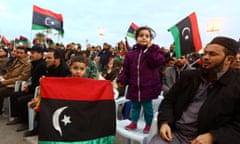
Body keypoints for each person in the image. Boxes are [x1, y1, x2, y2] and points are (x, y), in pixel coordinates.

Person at [150, 36, 240, 144]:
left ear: (229, 59)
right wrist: (165, 122)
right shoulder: (189, 76)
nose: (205, 57)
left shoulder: (236, 86)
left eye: (212, 54)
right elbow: (168, 102)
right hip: (174, 134)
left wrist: (213, 136)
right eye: (205, 53)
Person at [117, 26, 165, 133]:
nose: (144, 38)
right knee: (135, 107)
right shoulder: (130, 54)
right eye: (141, 35)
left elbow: (157, 62)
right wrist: (122, 80)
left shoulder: (155, 50)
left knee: (148, 108)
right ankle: (134, 122)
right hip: (134, 86)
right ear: (136, 38)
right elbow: (125, 70)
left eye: (147, 36)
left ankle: (148, 124)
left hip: (148, 87)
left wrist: (150, 50)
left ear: (150, 39)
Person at [7, 45, 47, 132]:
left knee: (22, 100)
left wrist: (28, 88)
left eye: (33, 53)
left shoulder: (42, 65)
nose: (30, 55)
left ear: (40, 54)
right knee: (14, 95)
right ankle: (18, 117)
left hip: (37, 91)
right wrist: (27, 86)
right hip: (32, 88)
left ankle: (26, 122)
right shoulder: (34, 63)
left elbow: (39, 83)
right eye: (30, 53)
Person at [0, 46, 31, 115]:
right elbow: (9, 72)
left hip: (15, 85)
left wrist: (7, 81)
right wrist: (3, 77)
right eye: (17, 52)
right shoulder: (16, 60)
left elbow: (22, 77)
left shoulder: (28, 64)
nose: (19, 54)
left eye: (21, 53)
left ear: (26, 54)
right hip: (8, 81)